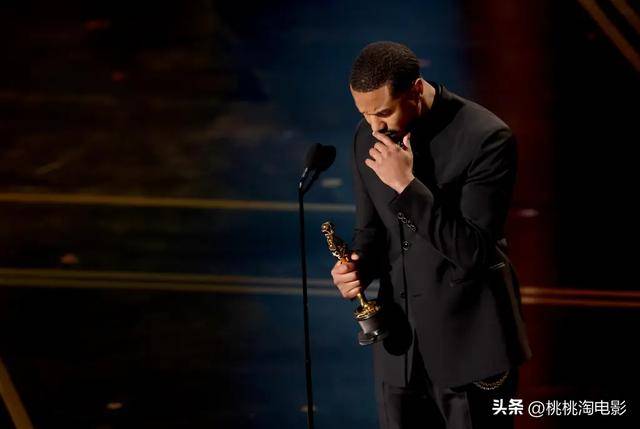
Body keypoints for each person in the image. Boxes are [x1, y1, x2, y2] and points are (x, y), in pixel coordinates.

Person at [330, 41, 532, 429]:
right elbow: (371, 231)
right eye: (364, 113)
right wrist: (356, 268)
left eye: (383, 112)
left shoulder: (486, 138)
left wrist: (406, 186)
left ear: (416, 90)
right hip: (399, 352)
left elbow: (473, 252)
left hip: (471, 350)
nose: (374, 126)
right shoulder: (365, 137)